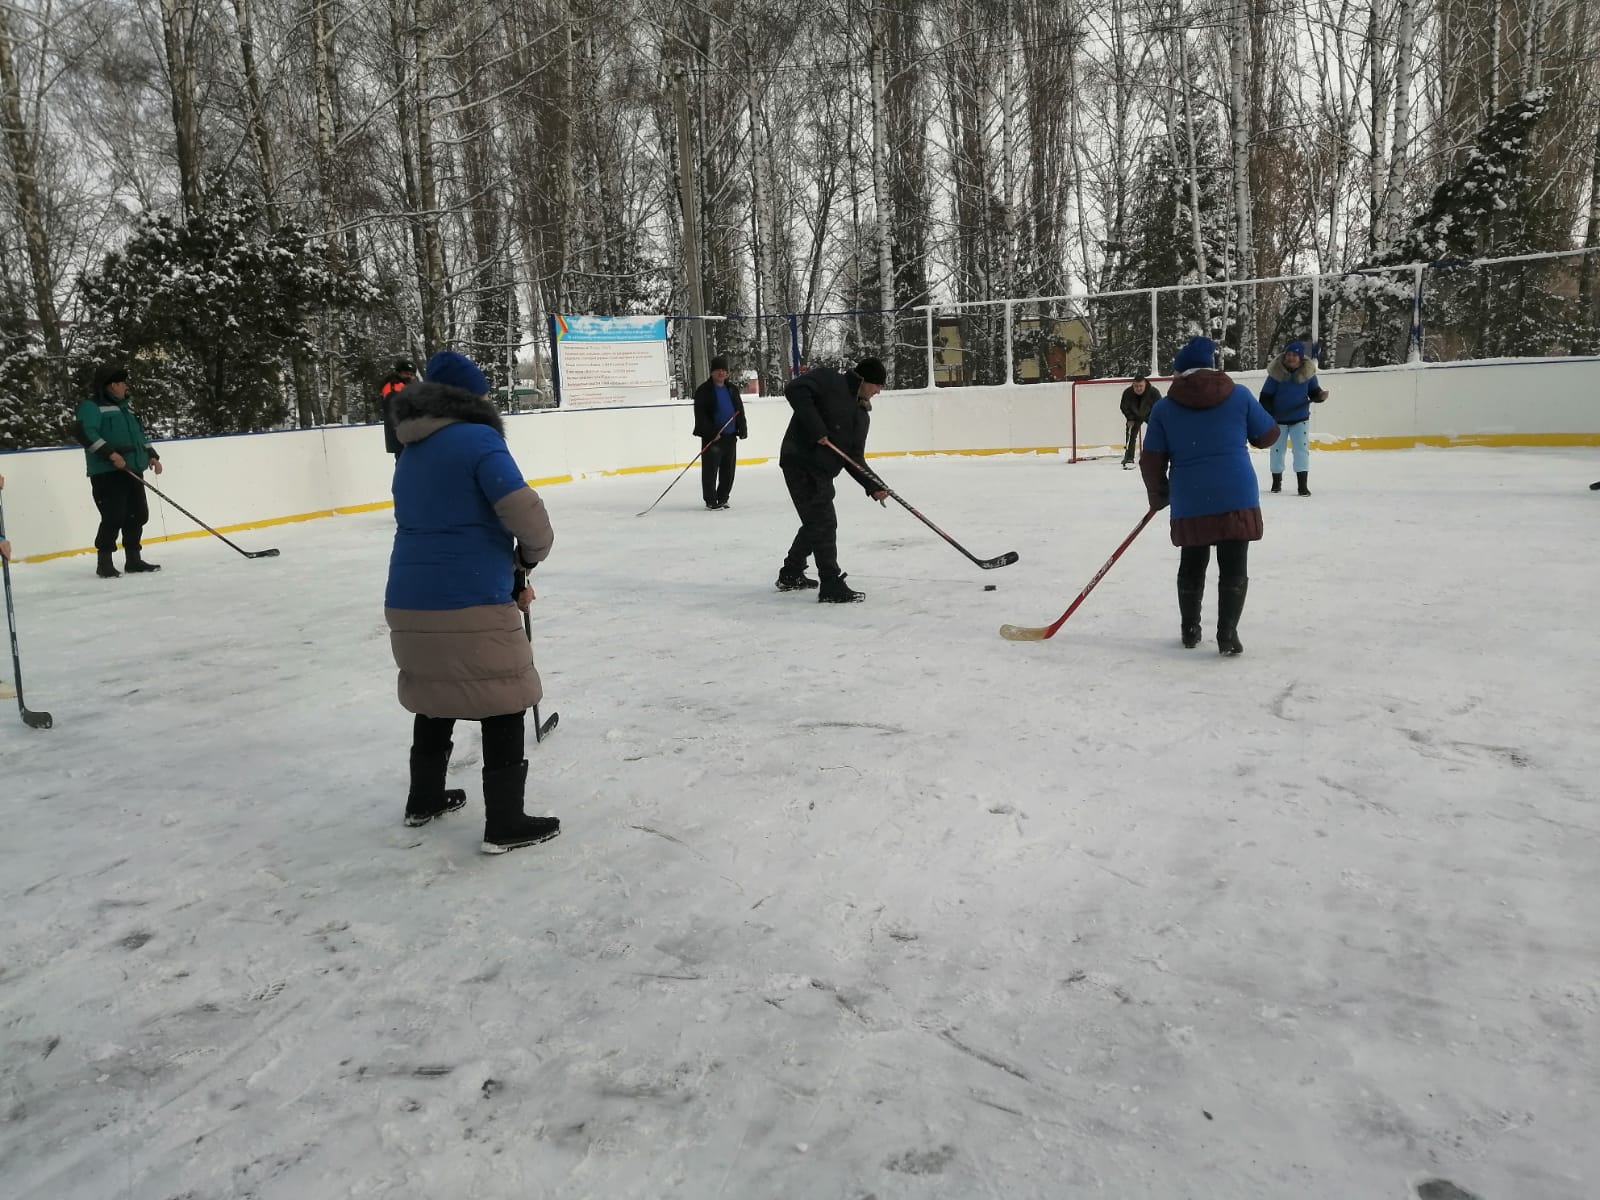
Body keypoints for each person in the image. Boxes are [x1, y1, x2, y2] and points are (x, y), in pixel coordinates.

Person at [386, 349, 560, 854]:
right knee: (503, 698)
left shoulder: (410, 450)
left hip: (408, 598)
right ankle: (505, 822)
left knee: (435, 694)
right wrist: (530, 555)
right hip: (469, 597)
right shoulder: (479, 439)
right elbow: (524, 511)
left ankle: (425, 798)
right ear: (473, 397)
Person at [1141, 336, 1280, 655]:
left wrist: (1158, 495)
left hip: (1191, 496)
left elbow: (1151, 460)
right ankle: (1227, 633)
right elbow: (1268, 436)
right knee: (1234, 565)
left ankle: (1190, 629)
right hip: (1236, 494)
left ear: (1179, 372)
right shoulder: (1240, 395)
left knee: (1192, 562)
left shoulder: (1164, 407)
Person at [776, 357, 889, 602]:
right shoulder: (829, 380)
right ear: (864, 380)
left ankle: (791, 573)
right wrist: (816, 428)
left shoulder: (861, 416)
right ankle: (831, 583)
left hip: (823, 471)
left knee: (816, 521)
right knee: (823, 522)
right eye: (877, 384)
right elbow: (794, 389)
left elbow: (853, 457)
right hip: (800, 461)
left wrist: (874, 485)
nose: (878, 390)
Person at [74, 364, 164, 578]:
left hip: (132, 468)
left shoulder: (127, 408)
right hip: (107, 472)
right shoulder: (91, 406)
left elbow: (139, 435)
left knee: (138, 514)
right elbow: (85, 433)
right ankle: (104, 562)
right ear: (112, 385)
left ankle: (133, 559)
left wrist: (152, 455)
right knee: (113, 516)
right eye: (122, 382)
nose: (126, 386)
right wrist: (110, 454)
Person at [1259, 340, 1328, 495]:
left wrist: (1320, 396)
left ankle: (1302, 485)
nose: (1291, 358)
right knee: (1277, 450)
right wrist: (1270, 415)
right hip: (1278, 421)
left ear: (1301, 358)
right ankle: (1276, 483)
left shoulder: (1308, 374)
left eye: (1294, 355)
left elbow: (1314, 392)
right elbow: (1265, 397)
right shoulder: (1275, 375)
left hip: (1300, 419)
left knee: (1301, 450)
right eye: (1288, 355)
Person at [692, 355, 748, 509]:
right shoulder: (704, 391)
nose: (721, 373)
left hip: (730, 436)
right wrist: (711, 433)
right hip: (713, 438)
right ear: (712, 373)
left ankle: (723, 497)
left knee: (728, 470)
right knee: (710, 470)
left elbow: (739, 410)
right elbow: (700, 415)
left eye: (724, 371)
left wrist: (742, 428)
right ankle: (711, 500)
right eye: (718, 371)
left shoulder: (732, 389)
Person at [1119, 374, 1162, 468]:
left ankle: (1158, 456)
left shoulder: (1153, 392)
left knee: (1157, 434)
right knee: (1131, 435)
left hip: (1150, 415)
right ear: (1133, 385)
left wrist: (1156, 420)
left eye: (1141, 386)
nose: (1138, 388)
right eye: (1136, 386)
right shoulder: (1127, 393)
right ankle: (1129, 457)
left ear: (1145, 384)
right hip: (1133, 416)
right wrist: (1129, 418)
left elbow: (1159, 407)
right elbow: (1124, 406)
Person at [380, 357, 418, 457]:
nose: (409, 377)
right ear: (399, 373)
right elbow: (395, 407)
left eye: (411, 375)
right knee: (404, 463)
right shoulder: (393, 386)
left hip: (407, 432)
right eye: (406, 373)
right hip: (399, 433)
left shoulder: (407, 386)